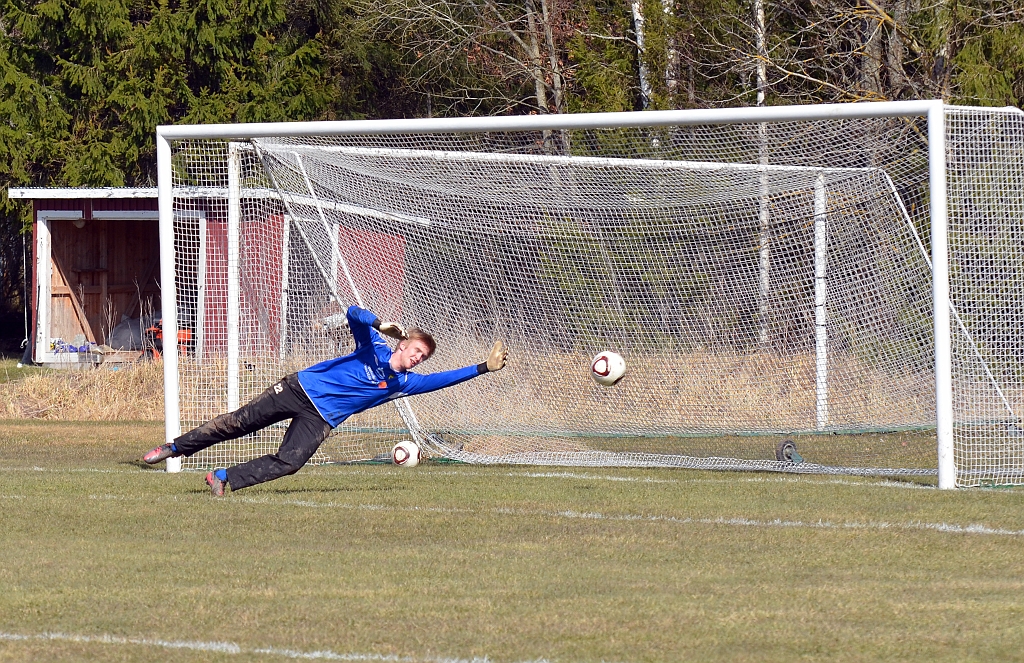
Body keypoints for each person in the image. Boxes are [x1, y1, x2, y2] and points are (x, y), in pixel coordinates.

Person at [142, 305, 508, 495]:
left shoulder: (403, 383)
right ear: (402, 343)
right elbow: (353, 314)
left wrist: (481, 368)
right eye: (415, 350)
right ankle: (173, 448)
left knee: (290, 462)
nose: (416, 358)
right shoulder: (375, 346)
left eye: (422, 357)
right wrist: (379, 323)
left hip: (320, 419)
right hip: (299, 388)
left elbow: (443, 382)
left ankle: (224, 478)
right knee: (238, 424)